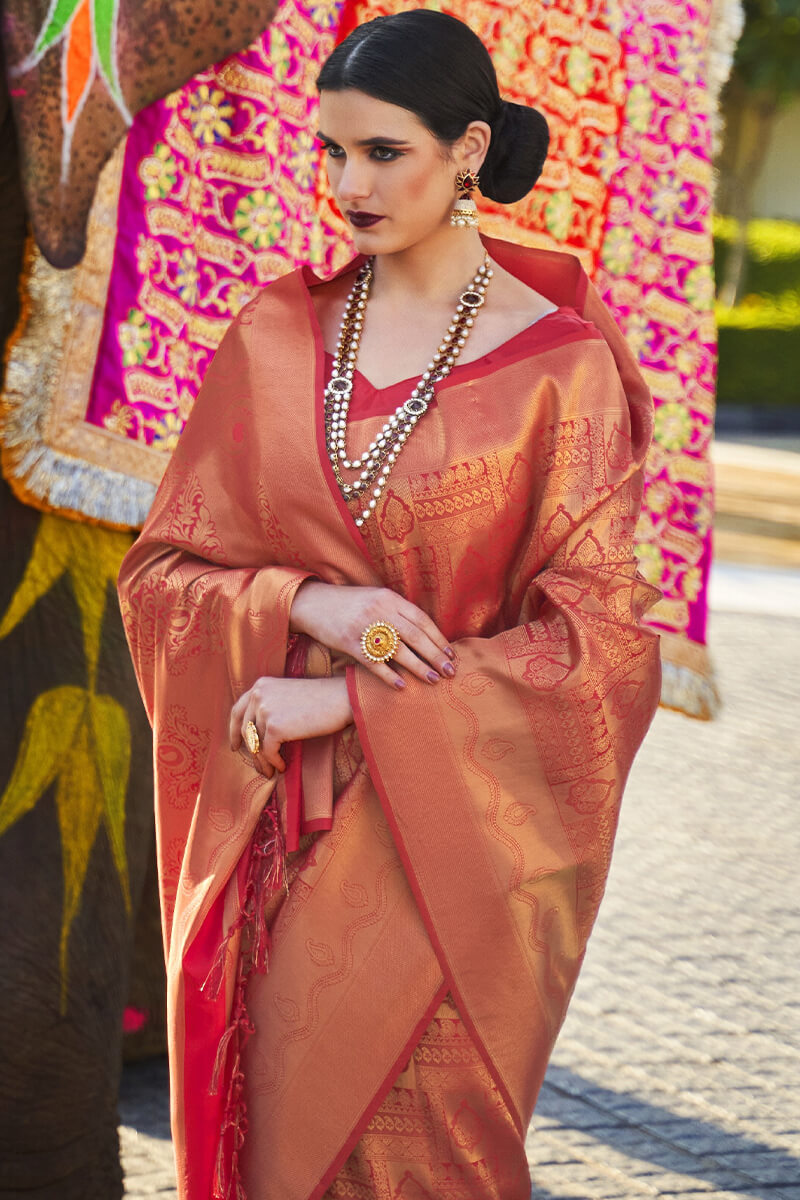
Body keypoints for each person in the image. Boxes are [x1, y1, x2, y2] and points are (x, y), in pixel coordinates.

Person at [118, 10, 662, 1199]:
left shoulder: (558, 370)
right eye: (331, 153)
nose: (346, 185)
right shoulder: (272, 334)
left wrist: (355, 711)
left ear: (467, 149)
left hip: (449, 860)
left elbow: (603, 649)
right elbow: (162, 578)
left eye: (382, 153)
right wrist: (305, 605)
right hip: (273, 852)